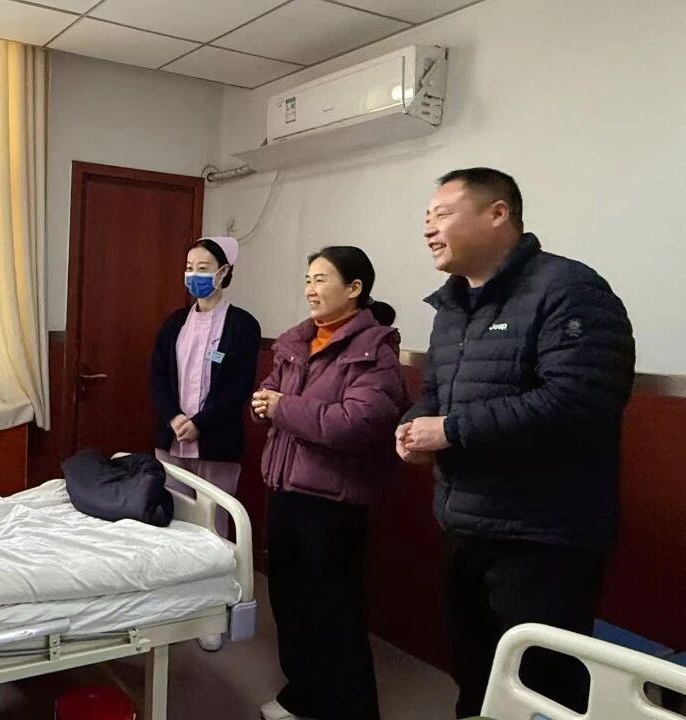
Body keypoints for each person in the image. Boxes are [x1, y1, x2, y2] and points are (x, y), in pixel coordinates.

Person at [397, 168, 635, 717]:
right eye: (425, 218)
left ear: (498, 213)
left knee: (541, 688)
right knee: (475, 674)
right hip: (465, 523)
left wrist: (450, 431)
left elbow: (577, 402)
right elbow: (434, 394)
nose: (429, 229)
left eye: (442, 214)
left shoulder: (569, 288)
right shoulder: (452, 307)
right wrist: (414, 427)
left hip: (544, 536)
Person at [252, 247, 406, 720]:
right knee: (290, 601)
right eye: (307, 279)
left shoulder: (374, 352)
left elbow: (355, 424)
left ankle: (351, 709)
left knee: (334, 610)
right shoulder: (298, 341)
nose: (310, 290)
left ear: (354, 288)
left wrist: (281, 408)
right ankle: (304, 694)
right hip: (285, 488)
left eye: (321, 280)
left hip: (332, 502)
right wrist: (263, 404)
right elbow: (273, 389)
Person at [149, 236, 261, 536]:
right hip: (172, 437)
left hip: (217, 440)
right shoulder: (174, 323)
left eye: (203, 268)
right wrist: (173, 416)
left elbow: (239, 386)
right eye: (189, 267)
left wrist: (200, 423)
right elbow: (158, 376)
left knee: (213, 522)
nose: (193, 274)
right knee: (173, 518)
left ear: (223, 272)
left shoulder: (242, 325)